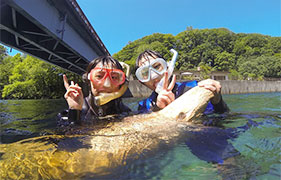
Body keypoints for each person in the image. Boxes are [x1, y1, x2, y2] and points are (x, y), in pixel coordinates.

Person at [135, 50, 229, 114]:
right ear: (142, 82)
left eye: (156, 67)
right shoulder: (144, 106)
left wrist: (218, 102)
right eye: (145, 73)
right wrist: (158, 109)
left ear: (168, 67)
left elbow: (223, 118)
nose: (154, 76)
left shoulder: (193, 88)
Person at [58, 56, 131, 128]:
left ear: (122, 84)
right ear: (89, 79)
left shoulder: (126, 112)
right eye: (99, 76)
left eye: (114, 77)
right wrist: (74, 111)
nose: (107, 84)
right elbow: (69, 136)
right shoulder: (75, 111)